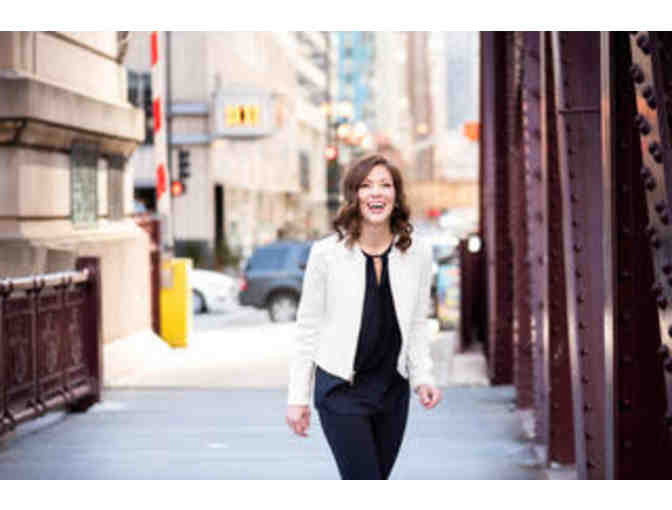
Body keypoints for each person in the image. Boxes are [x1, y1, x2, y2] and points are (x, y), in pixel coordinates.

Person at [286, 154, 442, 479]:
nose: (376, 193)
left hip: (391, 389)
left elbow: (416, 323)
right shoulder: (327, 254)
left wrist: (423, 376)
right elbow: (307, 328)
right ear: (354, 195)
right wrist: (298, 397)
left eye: (385, 185)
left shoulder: (417, 253)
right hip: (340, 388)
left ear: (396, 196)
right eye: (366, 185)